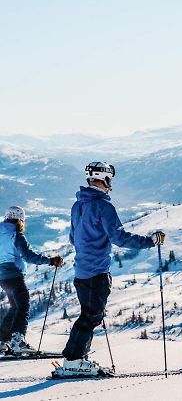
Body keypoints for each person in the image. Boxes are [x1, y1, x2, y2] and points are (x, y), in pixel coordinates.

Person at [54, 162, 165, 377]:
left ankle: (75, 359)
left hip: (81, 271)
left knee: (89, 315)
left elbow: (72, 237)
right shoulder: (104, 207)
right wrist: (150, 241)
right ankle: (73, 361)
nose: (110, 185)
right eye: (109, 180)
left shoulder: (77, 206)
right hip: (97, 272)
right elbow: (119, 238)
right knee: (92, 316)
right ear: (105, 179)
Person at [0, 206, 63, 354]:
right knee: (23, 306)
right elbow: (29, 256)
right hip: (14, 275)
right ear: (21, 220)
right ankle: (18, 341)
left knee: (15, 307)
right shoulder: (16, 235)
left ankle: (2, 341)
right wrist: (50, 261)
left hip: (2, 277)